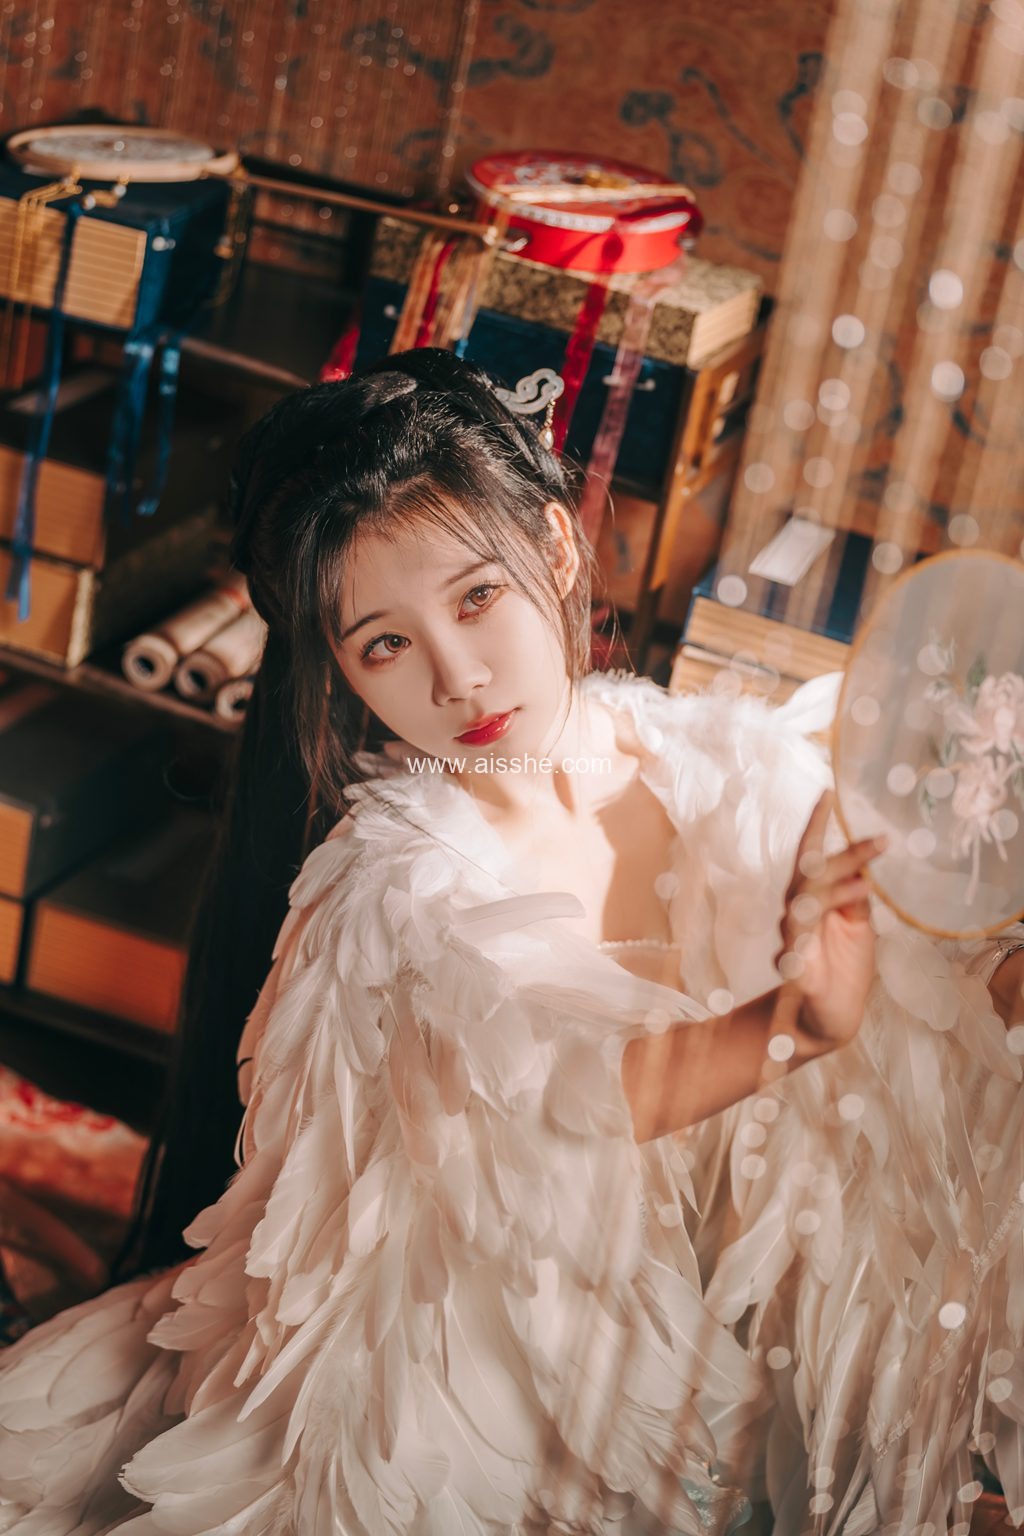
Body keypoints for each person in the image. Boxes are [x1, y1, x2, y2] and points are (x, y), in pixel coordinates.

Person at [0, 348, 1020, 1535]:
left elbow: (917, 1007)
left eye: (477, 596)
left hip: (738, 1350)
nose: (458, 676)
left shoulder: (729, 770)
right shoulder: (395, 890)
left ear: (557, 546)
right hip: (483, 1397)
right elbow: (551, 1108)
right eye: (384, 644)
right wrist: (788, 1026)